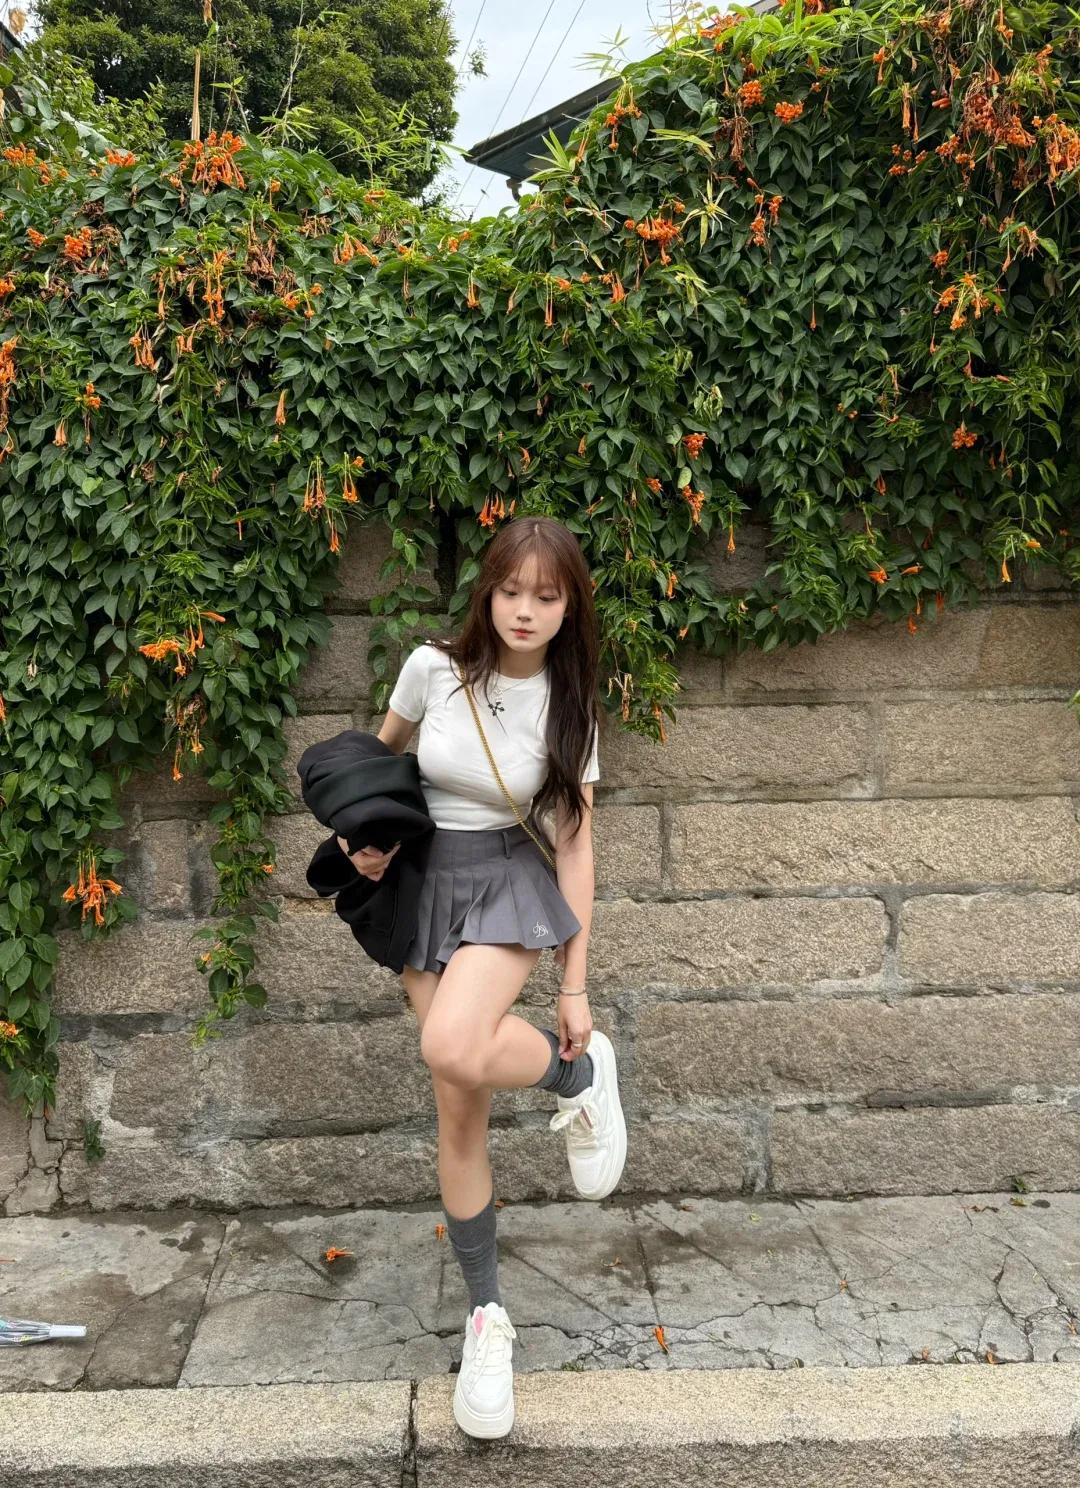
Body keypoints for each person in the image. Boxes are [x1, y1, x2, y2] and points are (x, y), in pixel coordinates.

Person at [336, 514, 627, 1439]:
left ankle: (580, 1071)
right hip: (424, 884)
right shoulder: (433, 670)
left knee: (452, 1045)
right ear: (487, 592)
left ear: (569, 606)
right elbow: (377, 767)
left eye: (546, 595)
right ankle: (488, 1320)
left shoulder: (571, 705)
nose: (524, 610)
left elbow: (574, 846)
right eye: (510, 591)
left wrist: (575, 984)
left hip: (505, 882)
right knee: (457, 1105)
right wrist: (362, 840)